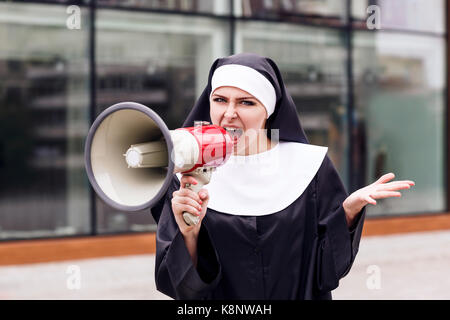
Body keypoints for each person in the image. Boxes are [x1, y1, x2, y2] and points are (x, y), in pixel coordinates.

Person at [150, 52, 415, 300]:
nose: (229, 113)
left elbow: (326, 271)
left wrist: (346, 214)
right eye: (220, 100)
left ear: (268, 109)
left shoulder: (310, 167)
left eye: (246, 102)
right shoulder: (187, 175)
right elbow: (179, 288)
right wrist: (189, 235)